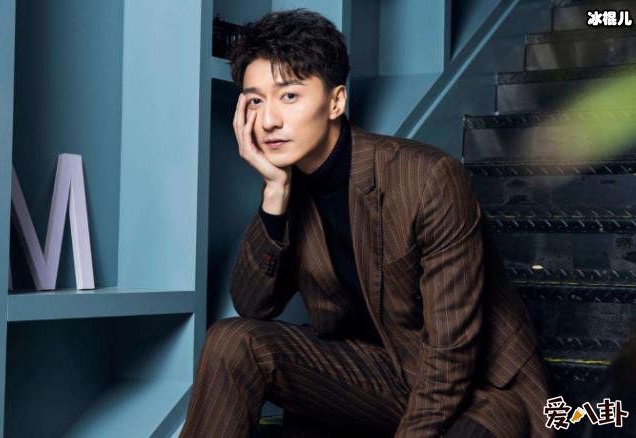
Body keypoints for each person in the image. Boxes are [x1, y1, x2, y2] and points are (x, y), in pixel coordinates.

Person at [180, 8, 552, 438]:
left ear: (336, 101)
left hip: (478, 390)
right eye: (255, 101)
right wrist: (274, 192)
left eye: (289, 96)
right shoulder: (290, 186)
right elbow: (253, 306)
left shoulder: (426, 177)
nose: (268, 121)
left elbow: (452, 349)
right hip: (377, 375)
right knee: (232, 341)